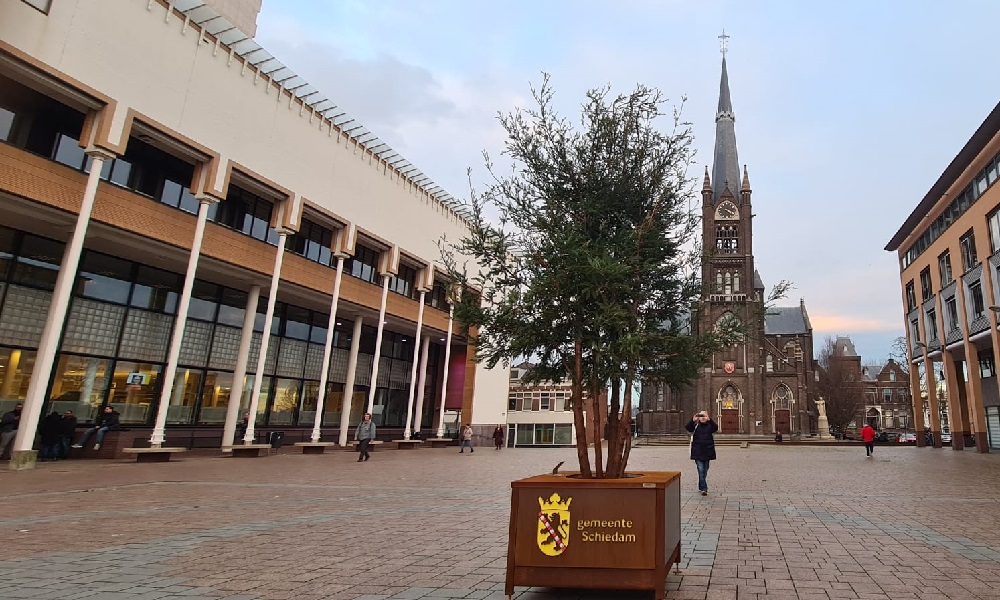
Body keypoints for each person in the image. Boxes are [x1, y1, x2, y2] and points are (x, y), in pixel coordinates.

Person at [685, 411, 718, 496]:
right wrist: (693, 420)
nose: (702, 418)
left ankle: (701, 485)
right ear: (698, 417)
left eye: (704, 416)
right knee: (700, 470)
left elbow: (715, 428)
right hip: (698, 451)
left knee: (705, 470)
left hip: (707, 451)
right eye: (701, 416)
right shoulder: (695, 425)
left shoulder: (710, 425)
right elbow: (688, 428)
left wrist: (710, 420)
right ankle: (704, 488)